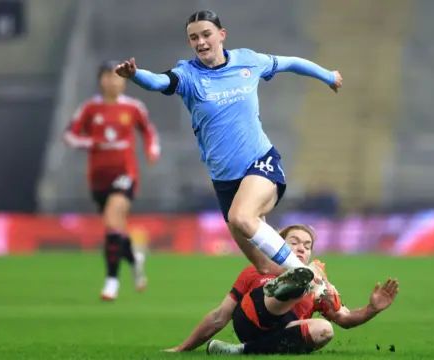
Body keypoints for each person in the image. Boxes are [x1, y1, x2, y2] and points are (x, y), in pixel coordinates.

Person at [114, 10, 344, 283]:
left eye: (206, 34)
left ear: (221, 35)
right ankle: (322, 303)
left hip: (261, 163)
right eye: (193, 37)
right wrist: (136, 75)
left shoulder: (247, 60)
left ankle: (307, 274)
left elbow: (291, 62)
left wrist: (328, 76)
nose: (200, 42)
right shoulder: (188, 75)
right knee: (265, 268)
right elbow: (159, 81)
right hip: (224, 180)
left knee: (241, 216)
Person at [165, 224, 400, 355]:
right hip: (250, 322)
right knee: (307, 281)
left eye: (307, 246)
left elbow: (345, 319)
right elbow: (220, 316)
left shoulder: (320, 283)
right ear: (278, 245)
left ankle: (240, 352)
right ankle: (289, 286)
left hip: (282, 335)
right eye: (294, 243)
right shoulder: (254, 272)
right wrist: (182, 348)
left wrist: (372, 309)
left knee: (325, 329)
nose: (301, 248)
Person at [63, 60, 161, 301]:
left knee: (111, 220)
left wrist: (152, 149)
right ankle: (134, 258)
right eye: (107, 76)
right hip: (98, 178)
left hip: (125, 174)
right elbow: (70, 135)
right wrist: (90, 143)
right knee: (114, 229)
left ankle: (111, 282)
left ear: (124, 81)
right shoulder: (89, 109)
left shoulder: (134, 107)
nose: (112, 81)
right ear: (100, 80)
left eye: (117, 77)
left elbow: (148, 131)